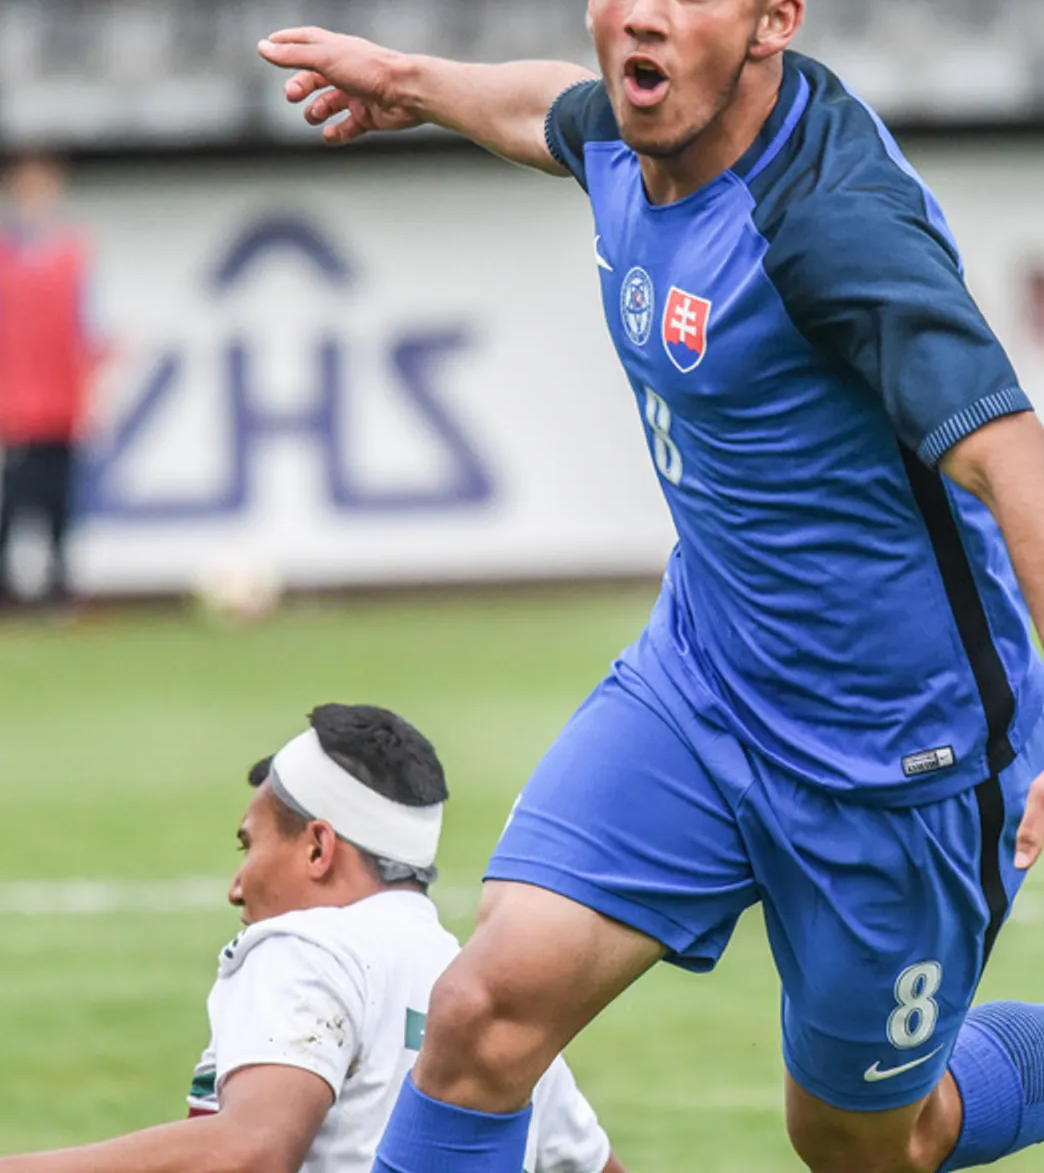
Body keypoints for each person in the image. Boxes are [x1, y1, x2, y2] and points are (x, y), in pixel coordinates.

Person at [255, 0, 1044, 1173]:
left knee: (870, 1144)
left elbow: (1027, 473)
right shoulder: (632, 127)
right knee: (480, 1014)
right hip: (701, 686)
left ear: (773, 22)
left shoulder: (831, 229)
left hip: (899, 759)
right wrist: (408, 81)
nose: (645, 13)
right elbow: (547, 113)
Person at [0, 704, 621, 1173]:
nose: (236, 887)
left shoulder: (309, 947)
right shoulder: (490, 991)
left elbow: (252, 1151)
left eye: (248, 845)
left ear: (319, 848)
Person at [0, 153, 95, 609]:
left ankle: (59, 587)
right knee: (16, 498)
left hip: (62, 403)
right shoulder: (5, 256)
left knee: (60, 500)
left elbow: (86, 328)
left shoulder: (73, 253)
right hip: (14, 403)